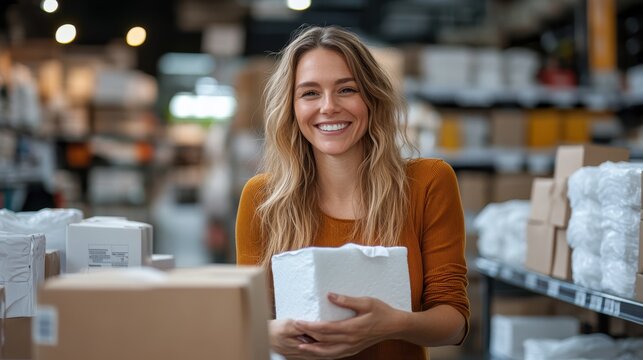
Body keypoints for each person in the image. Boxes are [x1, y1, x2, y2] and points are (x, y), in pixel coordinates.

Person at [236, 25, 469, 360]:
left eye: (346, 89)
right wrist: (268, 333)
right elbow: (248, 317)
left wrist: (392, 324)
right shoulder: (263, 198)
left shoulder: (429, 182)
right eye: (310, 93)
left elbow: (455, 323)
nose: (328, 107)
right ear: (291, 107)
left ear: (372, 98)